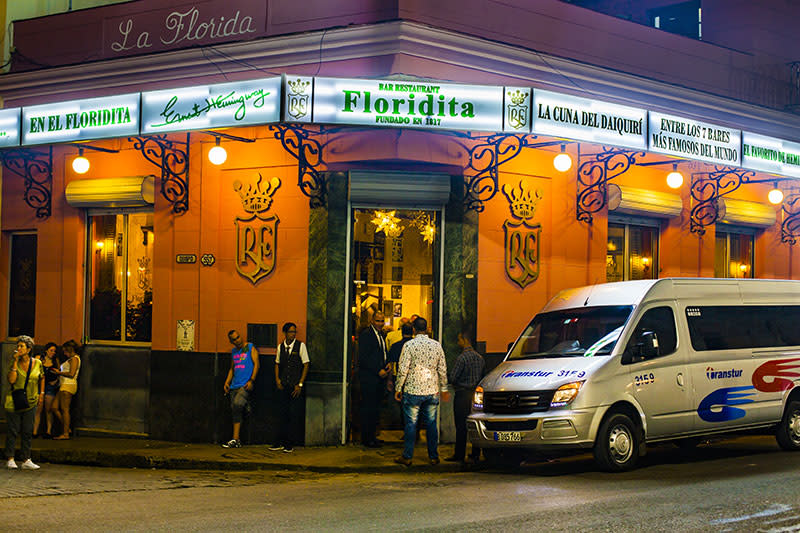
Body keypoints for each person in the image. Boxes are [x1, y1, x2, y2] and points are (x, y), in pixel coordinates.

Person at [393, 316, 449, 466]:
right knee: (431, 424)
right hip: (431, 390)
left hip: (412, 390)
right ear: (427, 329)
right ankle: (433, 456)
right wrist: (444, 388)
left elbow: (403, 369)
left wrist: (398, 387)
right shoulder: (436, 345)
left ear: (413, 330)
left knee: (410, 424)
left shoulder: (409, 345)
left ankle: (407, 456)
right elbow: (442, 369)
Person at [445, 327, 485, 464]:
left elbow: (454, 377)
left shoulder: (462, 358)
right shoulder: (480, 358)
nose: (458, 342)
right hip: (474, 395)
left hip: (462, 394)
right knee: (475, 425)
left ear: (464, 340)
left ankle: (459, 454)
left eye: (459, 339)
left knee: (461, 426)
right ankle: (475, 453)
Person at [5, 335, 43, 469]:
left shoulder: (37, 363)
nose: (19, 348)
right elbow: (11, 380)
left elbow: (41, 378)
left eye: (22, 346)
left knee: (27, 430)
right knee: (13, 430)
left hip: (31, 401)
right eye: (18, 346)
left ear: (29, 348)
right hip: (14, 400)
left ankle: (26, 459)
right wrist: (15, 362)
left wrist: (41, 394)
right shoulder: (14, 362)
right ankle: (10, 458)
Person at [270, 322, 309, 453]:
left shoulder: (300, 346)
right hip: (284, 384)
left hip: (294, 385)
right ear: (285, 333)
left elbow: (306, 364)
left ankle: (289, 443)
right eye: (291, 332)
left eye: (294, 332)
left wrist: (300, 384)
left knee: (293, 415)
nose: (293, 334)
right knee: (282, 414)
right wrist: (277, 379)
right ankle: (279, 441)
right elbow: (277, 363)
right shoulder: (281, 347)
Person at [358, 310, 391, 448]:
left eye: (382, 321)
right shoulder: (366, 335)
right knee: (369, 409)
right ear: (372, 321)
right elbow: (364, 357)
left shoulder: (381, 334)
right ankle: (367, 439)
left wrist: (387, 363)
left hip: (379, 379)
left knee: (375, 410)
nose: (380, 323)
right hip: (370, 379)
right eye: (377, 321)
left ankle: (373, 436)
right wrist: (378, 370)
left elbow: (381, 352)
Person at [222, 330, 259, 449]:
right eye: (234, 339)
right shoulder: (234, 351)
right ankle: (236, 439)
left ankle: (247, 405)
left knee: (237, 405)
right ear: (231, 341)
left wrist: (251, 380)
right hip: (234, 385)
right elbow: (232, 369)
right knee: (235, 411)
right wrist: (227, 382)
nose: (237, 340)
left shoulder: (249, 347)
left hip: (245, 384)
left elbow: (256, 364)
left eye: (238, 337)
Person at [51, 339, 81, 440]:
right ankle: (66, 428)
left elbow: (71, 374)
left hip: (68, 385)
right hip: (64, 385)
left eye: (65, 351)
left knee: (65, 410)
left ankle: (65, 433)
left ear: (70, 350)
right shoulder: (71, 359)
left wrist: (58, 373)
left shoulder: (74, 359)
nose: (64, 353)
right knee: (54, 407)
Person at [33, 342, 58, 438]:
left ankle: (48, 431)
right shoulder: (40, 359)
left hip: (50, 387)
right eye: (51, 350)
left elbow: (59, 372)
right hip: (39, 386)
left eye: (54, 351)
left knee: (48, 409)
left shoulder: (55, 361)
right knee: (38, 409)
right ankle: (35, 431)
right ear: (46, 350)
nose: (53, 353)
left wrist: (56, 381)